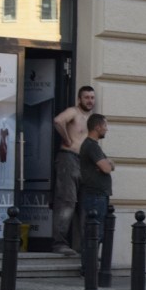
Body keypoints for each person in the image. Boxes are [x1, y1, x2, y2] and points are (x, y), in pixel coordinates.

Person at [51, 85, 96, 255]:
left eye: (92, 98)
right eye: (86, 97)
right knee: (67, 201)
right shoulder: (74, 112)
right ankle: (59, 244)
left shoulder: (92, 118)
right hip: (68, 158)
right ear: (79, 99)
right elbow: (58, 120)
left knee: (85, 203)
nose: (90, 101)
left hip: (86, 163)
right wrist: (67, 139)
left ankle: (85, 245)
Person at [78, 113, 114, 262]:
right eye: (105, 126)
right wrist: (108, 164)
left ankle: (89, 266)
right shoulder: (91, 146)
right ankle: (88, 268)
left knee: (97, 232)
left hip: (98, 195)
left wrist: (108, 164)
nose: (107, 129)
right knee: (95, 232)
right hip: (95, 195)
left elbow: (107, 165)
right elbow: (106, 167)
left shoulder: (93, 146)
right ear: (98, 127)